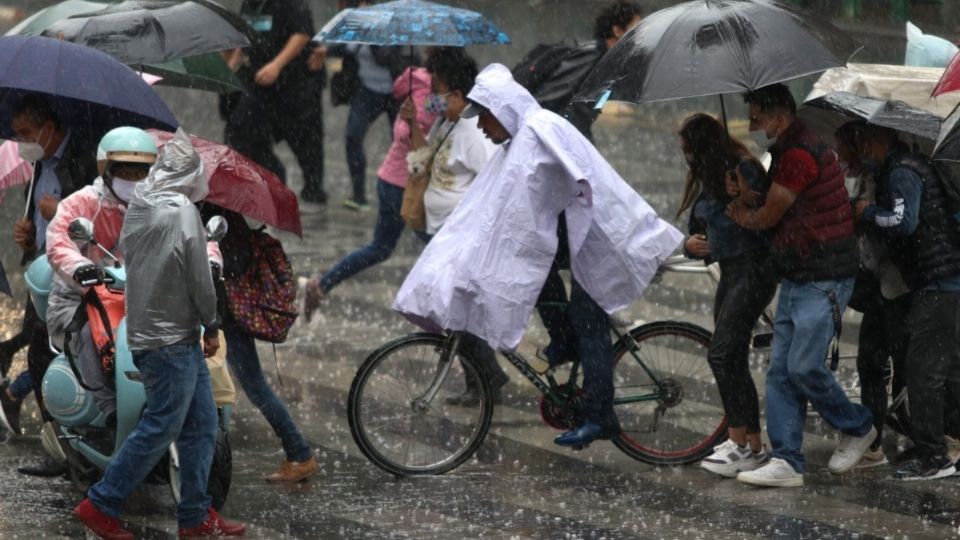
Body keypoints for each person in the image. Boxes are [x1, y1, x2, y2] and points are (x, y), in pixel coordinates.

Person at [392, 64, 683, 449]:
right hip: (577, 237)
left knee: (588, 317)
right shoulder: (520, 138)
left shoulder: (540, 131)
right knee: (548, 288)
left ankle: (601, 415)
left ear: (502, 110)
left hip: (602, 239)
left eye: (485, 118)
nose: (480, 127)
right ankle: (564, 341)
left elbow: (548, 197)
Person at [73, 129, 245, 540]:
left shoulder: (142, 205)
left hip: (151, 334)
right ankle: (102, 503)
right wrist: (213, 321)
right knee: (162, 425)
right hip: (175, 339)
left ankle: (195, 514)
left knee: (201, 423)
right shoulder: (182, 211)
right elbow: (199, 276)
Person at [726, 84, 875, 488]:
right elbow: (785, 205)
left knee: (804, 366)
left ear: (779, 114)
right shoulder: (791, 147)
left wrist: (741, 213)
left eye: (758, 116)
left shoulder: (797, 152)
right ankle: (788, 460)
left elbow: (770, 216)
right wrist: (750, 192)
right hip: (798, 271)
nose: (754, 125)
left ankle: (859, 426)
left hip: (823, 274)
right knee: (780, 372)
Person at [853, 124, 960, 480]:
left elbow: (904, 221)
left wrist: (867, 212)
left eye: (863, 142)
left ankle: (934, 457)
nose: (861, 150)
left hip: (938, 280)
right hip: (942, 278)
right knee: (945, 367)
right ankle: (948, 442)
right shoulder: (906, 165)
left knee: (922, 371)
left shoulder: (902, 171)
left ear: (877, 140)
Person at [403, 48, 505, 405]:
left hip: (460, 236)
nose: (432, 99)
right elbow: (425, 158)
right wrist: (413, 124)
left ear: (459, 95)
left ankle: (487, 376)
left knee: (453, 310)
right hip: (440, 232)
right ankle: (485, 376)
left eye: (438, 91)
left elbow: (494, 180)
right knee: (452, 312)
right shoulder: (446, 121)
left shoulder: (474, 131)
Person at [676, 114, 776, 477]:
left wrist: (748, 199)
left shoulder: (744, 169)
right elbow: (698, 228)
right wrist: (692, 245)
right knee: (728, 356)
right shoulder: (709, 178)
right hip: (730, 271)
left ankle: (740, 443)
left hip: (754, 269)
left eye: (689, 148)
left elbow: (771, 219)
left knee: (723, 353)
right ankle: (750, 442)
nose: (686, 157)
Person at [8, 94, 97, 476]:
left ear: (47, 128)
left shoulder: (82, 157)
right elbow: (37, 225)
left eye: (26, 133)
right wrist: (28, 236)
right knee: (41, 355)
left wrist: (60, 212)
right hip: (44, 274)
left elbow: (95, 214)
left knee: (62, 357)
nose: (22, 142)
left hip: (75, 276)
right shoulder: (39, 165)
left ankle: (72, 444)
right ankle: (58, 444)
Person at [303, 64, 435, 316]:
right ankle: (433, 311)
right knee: (440, 248)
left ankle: (321, 284)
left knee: (380, 248)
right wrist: (419, 124)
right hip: (402, 186)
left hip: (394, 181)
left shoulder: (418, 84)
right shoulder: (428, 92)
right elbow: (406, 132)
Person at [202, 208, 318, 482]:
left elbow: (230, 265)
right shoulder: (223, 212)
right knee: (248, 387)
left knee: (255, 388)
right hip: (224, 312)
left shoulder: (212, 216)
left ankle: (299, 454)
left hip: (225, 314)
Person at [835, 121, 911, 470]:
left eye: (846, 148)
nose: (842, 156)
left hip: (896, 285)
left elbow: (900, 224)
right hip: (884, 284)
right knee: (880, 362)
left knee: (884, 361)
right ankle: (883, 434)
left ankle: (886, 436)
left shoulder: (894, 175)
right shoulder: (869, 175)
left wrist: (865, 213)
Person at [310, 0, 418, 210]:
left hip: (397, 91)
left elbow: (386, 57)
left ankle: (407, 192)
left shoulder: (391, 22)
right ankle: (359, 195)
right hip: (368, 91)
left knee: (403, 140)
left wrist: (372, 34)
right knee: (353, 136)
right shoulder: (352, 23)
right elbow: (345, 46)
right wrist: (328, 50)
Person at [224, 0, 327, 204]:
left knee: (305, 141)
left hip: (296, 84)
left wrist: (276, 65)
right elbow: (244, 35)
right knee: (240, 130)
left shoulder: (291, 4)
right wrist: (231, 66)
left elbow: (302, 33)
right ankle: (275, 175)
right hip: (259, 82)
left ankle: (313, 192)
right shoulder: (249, 4)